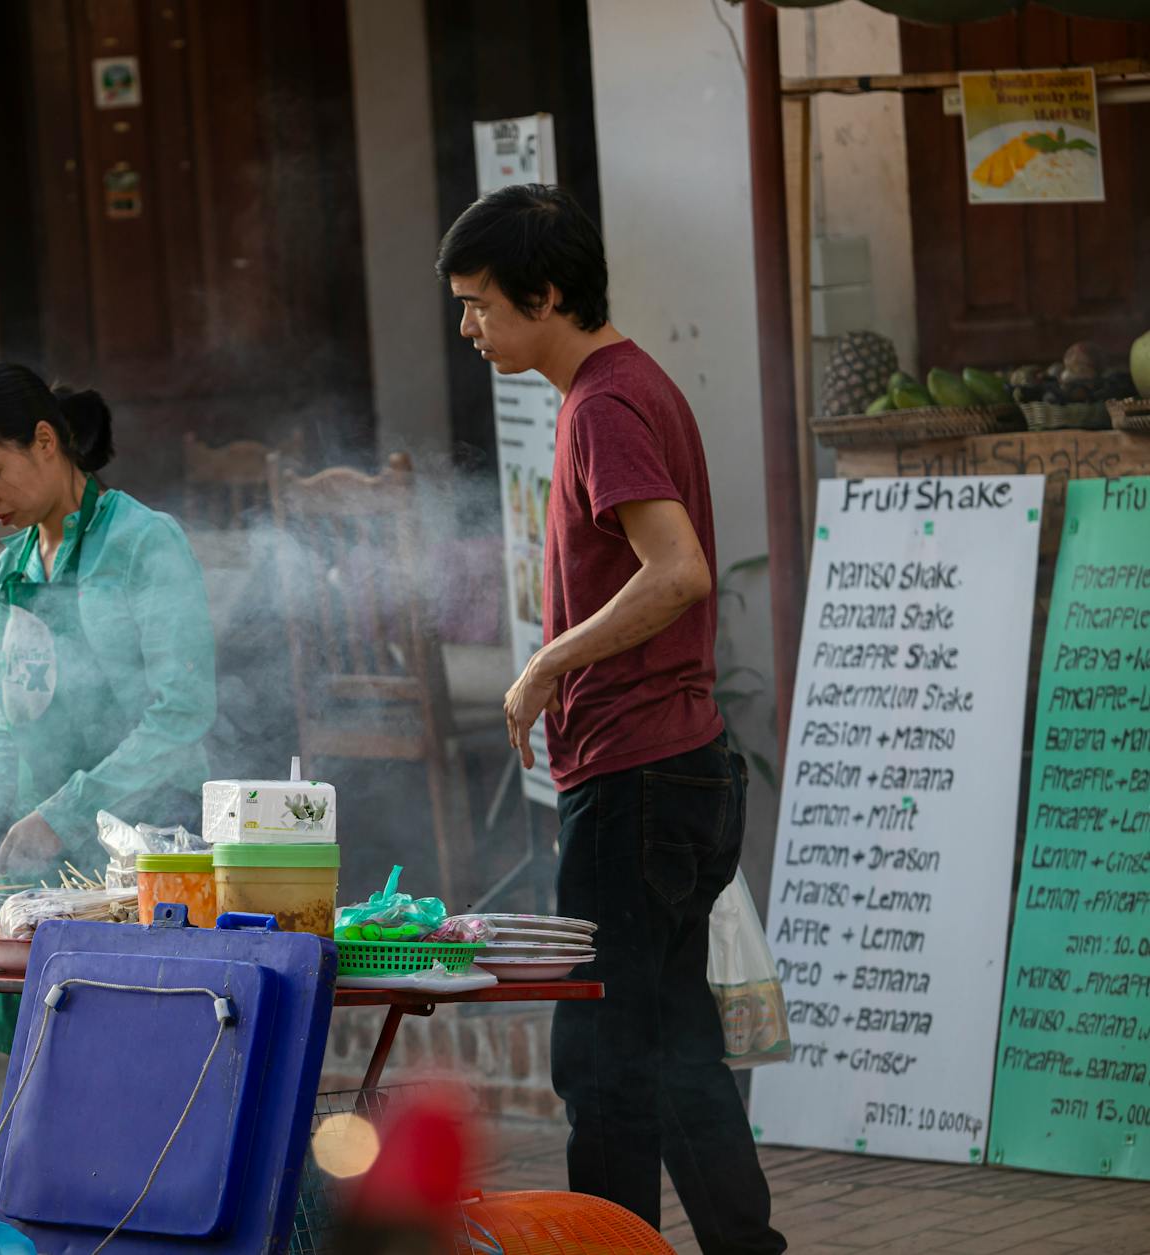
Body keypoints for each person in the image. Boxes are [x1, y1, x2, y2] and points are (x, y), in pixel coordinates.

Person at [437, 185, 786, 1255]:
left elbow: (673, 571)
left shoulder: (601, 402)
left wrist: (547, 660)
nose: (468, 330)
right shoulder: (622, 387)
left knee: (604, 1055)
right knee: (670, 1037)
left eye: (481, 305)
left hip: (638, 772)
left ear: (544, 296)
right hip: (667, 769)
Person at [0, 364, 217, 1049]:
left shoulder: (145, 542)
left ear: (45, 441)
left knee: (138, 1051)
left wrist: (65, 812)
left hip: (147, 851)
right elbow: (11, 721)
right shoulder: (13, 568)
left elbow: (182, 716)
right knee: (47, 1061)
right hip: (44, 860)